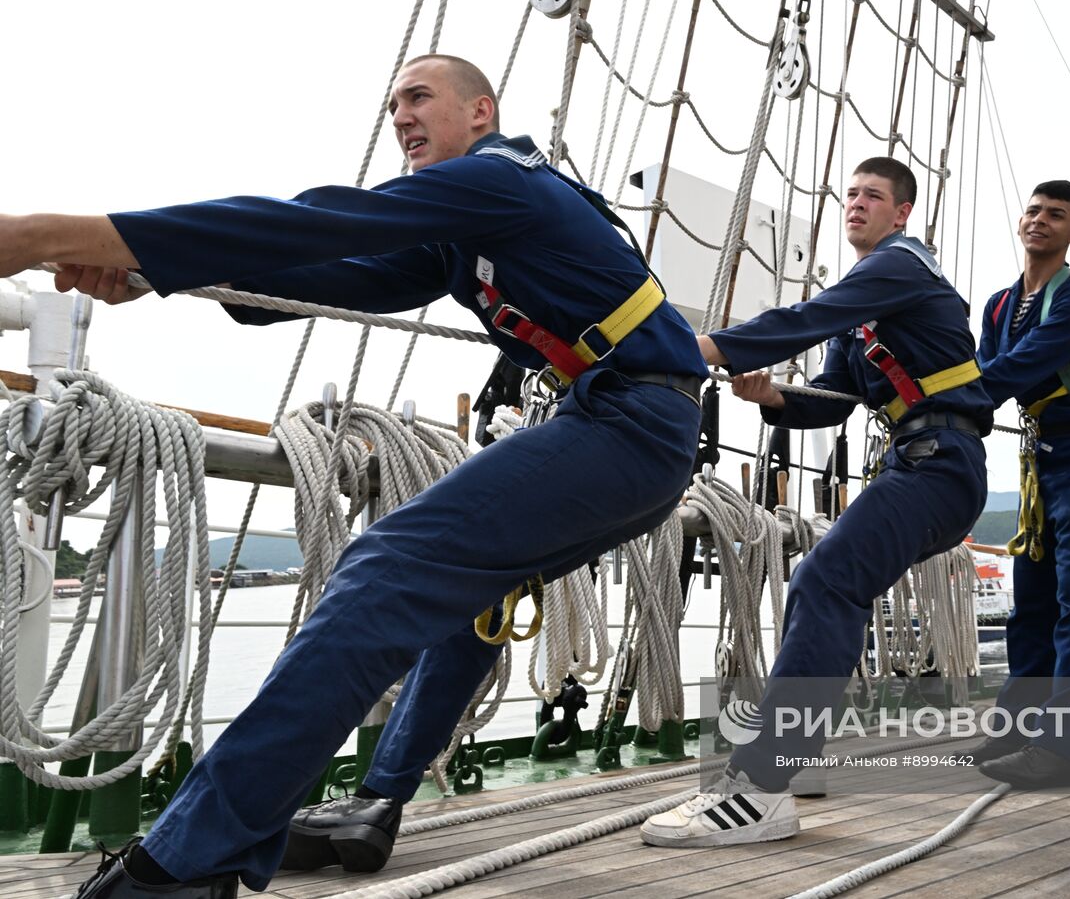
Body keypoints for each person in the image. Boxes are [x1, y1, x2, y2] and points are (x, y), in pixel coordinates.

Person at [1, 54, 707, 898]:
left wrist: (41, 234)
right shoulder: (465, 232)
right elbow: (335, 275)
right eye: (393, 104)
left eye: (419, 98)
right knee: (466, 601)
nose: (400, 116)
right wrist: (155, 274)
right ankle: (376, 799)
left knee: (382, 569)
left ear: (480, 111)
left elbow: (319, 224)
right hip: (633, 424)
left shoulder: (500, 183)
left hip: (626, 420)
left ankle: (186, 863)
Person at [638, 157, 992, 846]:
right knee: (825, 579)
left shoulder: (902, 268)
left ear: (902, 213)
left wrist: (702, 347)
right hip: (918, 463)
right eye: (851, 194)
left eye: (874, 196)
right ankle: (785, 763)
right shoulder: (865, 312)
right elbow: (833, 396)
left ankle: (764, 785)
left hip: (942, 464)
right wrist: (773, 397)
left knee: (825, 578)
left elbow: (807, 314)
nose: (857, 204)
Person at [958, 180, 1070, 788]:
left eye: (1055, 215)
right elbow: (983, 366)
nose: (1040, 220)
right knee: (1031, 604)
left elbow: (1018, 366)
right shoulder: (1000, 305)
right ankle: (1014, 731)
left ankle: (1063, 752)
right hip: (1043, 462)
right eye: (1033, 210)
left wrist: (948, 402)